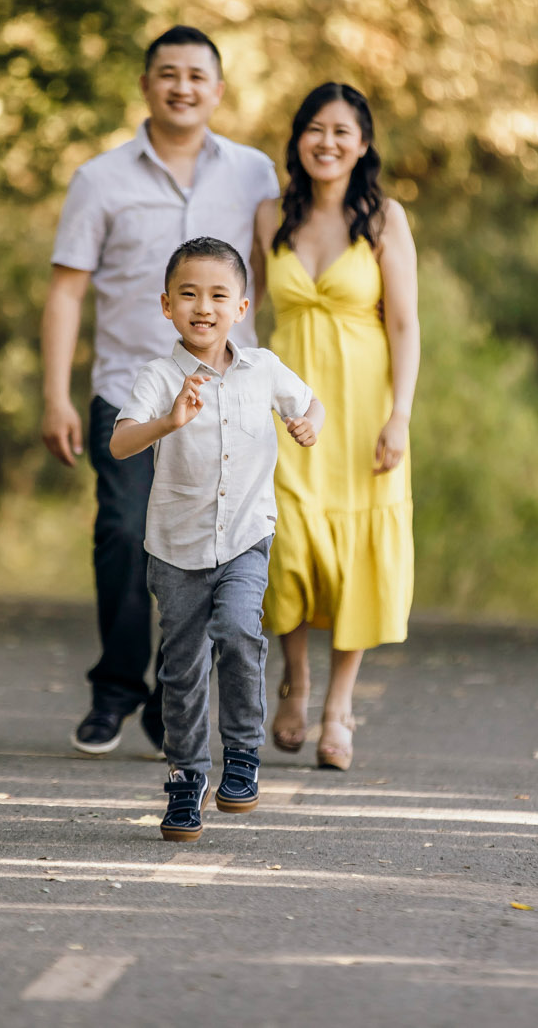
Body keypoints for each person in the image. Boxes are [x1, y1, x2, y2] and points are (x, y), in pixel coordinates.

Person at [43, 27, 283, 756]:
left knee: (208, 548)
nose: (183, 87)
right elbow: (65, 292)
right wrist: (56, 394)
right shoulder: (100, 178)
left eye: (197, 75)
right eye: (168, 74)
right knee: (122, 531)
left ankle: (172, 699)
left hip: (223, 401)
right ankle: (116, 687)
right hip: (129, 388)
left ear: (218, 88)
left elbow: (272, 276)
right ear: (147, 84)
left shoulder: (253, 174)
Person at [110, 238, 323, 840]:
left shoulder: (264, 368)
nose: (203, 306)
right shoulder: (158, 376)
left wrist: (308, 424)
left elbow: (310, 404)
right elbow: (121, 443)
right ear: (166, 306)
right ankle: (186, 779)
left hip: (246, 536)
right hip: (175, 548)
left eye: (217, 295)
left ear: (242, 307)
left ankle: (244, 755)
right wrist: (168, 422)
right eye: (189, 294)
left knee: (236, 629)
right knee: (181, 667)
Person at [252, 82, 419, 771]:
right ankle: (295, 680)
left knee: (355, 555)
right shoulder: (269, 215)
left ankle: (339, 706)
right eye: (314, 129)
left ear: (363, 143)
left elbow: (405, 323)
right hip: (286, 409)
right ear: (297, 139)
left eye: (341, 131)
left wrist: (400, 414)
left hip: (362, 412)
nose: (326, 142)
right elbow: (241, 307)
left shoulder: (383, 219)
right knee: (285, 546)